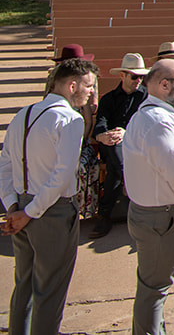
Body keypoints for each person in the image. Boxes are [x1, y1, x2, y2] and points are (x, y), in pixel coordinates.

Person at [1, 56, 98, 335]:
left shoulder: (23, 113)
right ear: (71, 86)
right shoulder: (70, 119)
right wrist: (27, 213)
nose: (91, 92)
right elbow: (63, 174)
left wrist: (13, 207)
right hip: (51, 212)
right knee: (50, 290)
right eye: (89, 86)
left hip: (21, 204)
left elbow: (4, 165)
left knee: (25, 284)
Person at [88, 51, 149, 238]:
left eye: (141, 76)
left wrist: (127, 133)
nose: (138, 80)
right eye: (134, 76)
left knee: (115, 164)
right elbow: (100, 124)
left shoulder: (146, 98)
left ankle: (104, 215)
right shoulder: (108, 99)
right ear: (122, 75)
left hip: (138, 145)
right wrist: (101, 136)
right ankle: (130, 195)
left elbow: (148, 125)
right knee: (114, 150)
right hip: (112, 145)